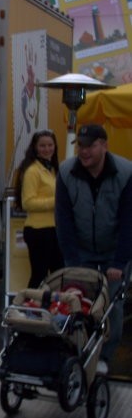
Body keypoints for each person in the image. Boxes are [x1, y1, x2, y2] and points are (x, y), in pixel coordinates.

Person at [55, 124, 132, 374]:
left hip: (114, 252)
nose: (84, 151)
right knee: (79, 302)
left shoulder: (126, 172)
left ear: (104, 145)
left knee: (112, 306)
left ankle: (105, 357)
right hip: (82, 251)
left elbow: (129, 221)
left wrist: (119, 263)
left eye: (90, 145)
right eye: (81, 145)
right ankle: (82, 351)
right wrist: (72, 259)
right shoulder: (67, 172)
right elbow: (63, 219)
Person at [15, 130, 64, 288]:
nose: (47, 149)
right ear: (35, 148)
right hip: (39, 230)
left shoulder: (52, 169)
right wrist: (56, 201)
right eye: (42, 145)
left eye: (50, 145)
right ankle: (30, 309)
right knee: (39, 275)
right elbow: (27, 203)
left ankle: (51, 309)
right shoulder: (32, 171)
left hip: (53, 229)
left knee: (58, 274)